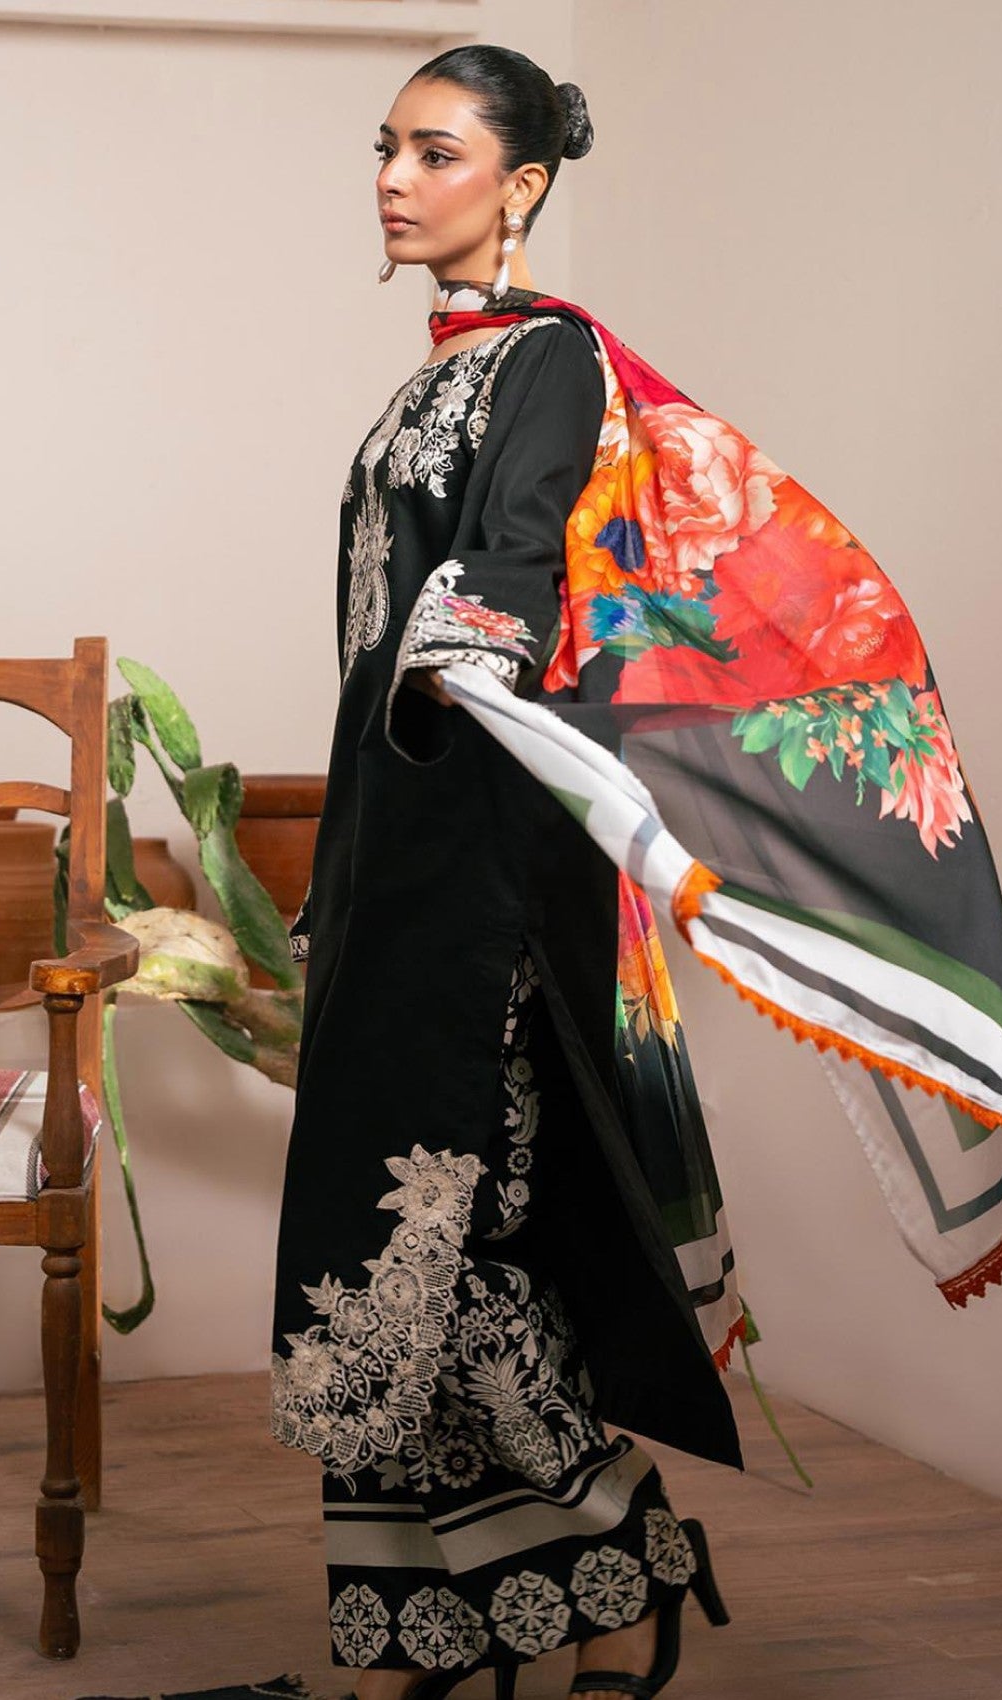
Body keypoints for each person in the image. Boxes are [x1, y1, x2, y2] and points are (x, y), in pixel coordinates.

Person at [267, 44, 737, 1700]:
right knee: (382, 1244)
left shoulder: (549, 357)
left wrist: (456, 669)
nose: (396, 180)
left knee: (452, 1245)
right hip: (393, 853)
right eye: (386, 149)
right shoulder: (425, 378)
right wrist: (344, 856)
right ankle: (425, 1628)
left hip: (484, 869)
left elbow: (512, 559)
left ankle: (620, 1578)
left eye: (437, 153)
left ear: (521, 184)